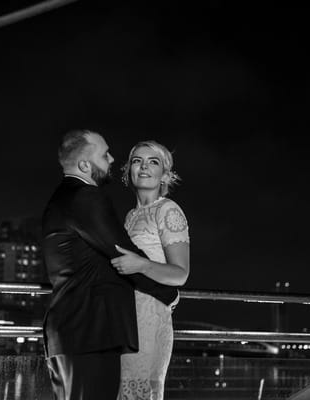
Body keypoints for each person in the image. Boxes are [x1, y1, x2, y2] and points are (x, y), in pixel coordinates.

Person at [41, 130, 178, 400]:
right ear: (84, 165)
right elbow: (121, 251)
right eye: (104, 155)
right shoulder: (86, 197)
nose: (113, 158)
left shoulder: (62, 197)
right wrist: (167, 293)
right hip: (89, 333)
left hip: (72, 332)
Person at [111, 140, 190, 400]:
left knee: (141, 393)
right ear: (128, 171)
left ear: (164, 174)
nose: (144, 167)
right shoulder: (131, 216)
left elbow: (180, 273)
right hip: (126, 316)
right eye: (137, 161)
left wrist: (141, 264)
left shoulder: (167, 210)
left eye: (152, 162)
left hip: (150, 317)